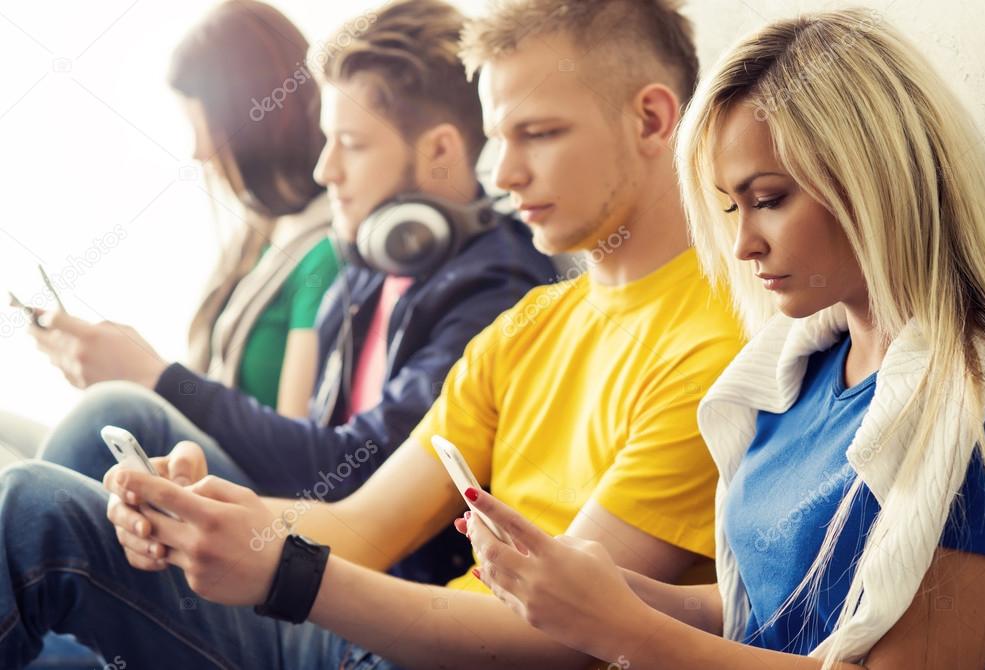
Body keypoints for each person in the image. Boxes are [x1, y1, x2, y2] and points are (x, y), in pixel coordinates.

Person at [0, 1, 748, 668]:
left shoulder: (713, 348)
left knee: (31, 511)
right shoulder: (530, 325)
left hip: (431, 648)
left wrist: (287, 572)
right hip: (378, 634)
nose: (506, 173)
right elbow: (363, 525)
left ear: (653, 120)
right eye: (499, 138)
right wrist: (212, 512)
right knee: (40, 505)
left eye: (540, 134)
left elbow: (566, 634)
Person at [456, 8, 985, 669]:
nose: (743, 244)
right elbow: (768, 616)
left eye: (770, 198)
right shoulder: (800, 371)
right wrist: (599, 591)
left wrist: (622, 631)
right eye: (730, 205)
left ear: (873, 179)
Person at [38, 0, 553, 586]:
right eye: (327, 140)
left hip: (375, 592)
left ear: (438, 151)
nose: (324, 170)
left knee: (90, 444)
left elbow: (354, 473)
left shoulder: (497, 292)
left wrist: (161, 379)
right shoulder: (367, 265)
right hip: (308, 536)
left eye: (352, 145)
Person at [26, 0, 340, 421]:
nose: (198, 151)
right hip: (200, 457)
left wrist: (150, 378)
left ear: (256, 120)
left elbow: (296, 449)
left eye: (202, 124)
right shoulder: (261, 234)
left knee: (100, 415)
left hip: (244, 482)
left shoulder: (322, 255)